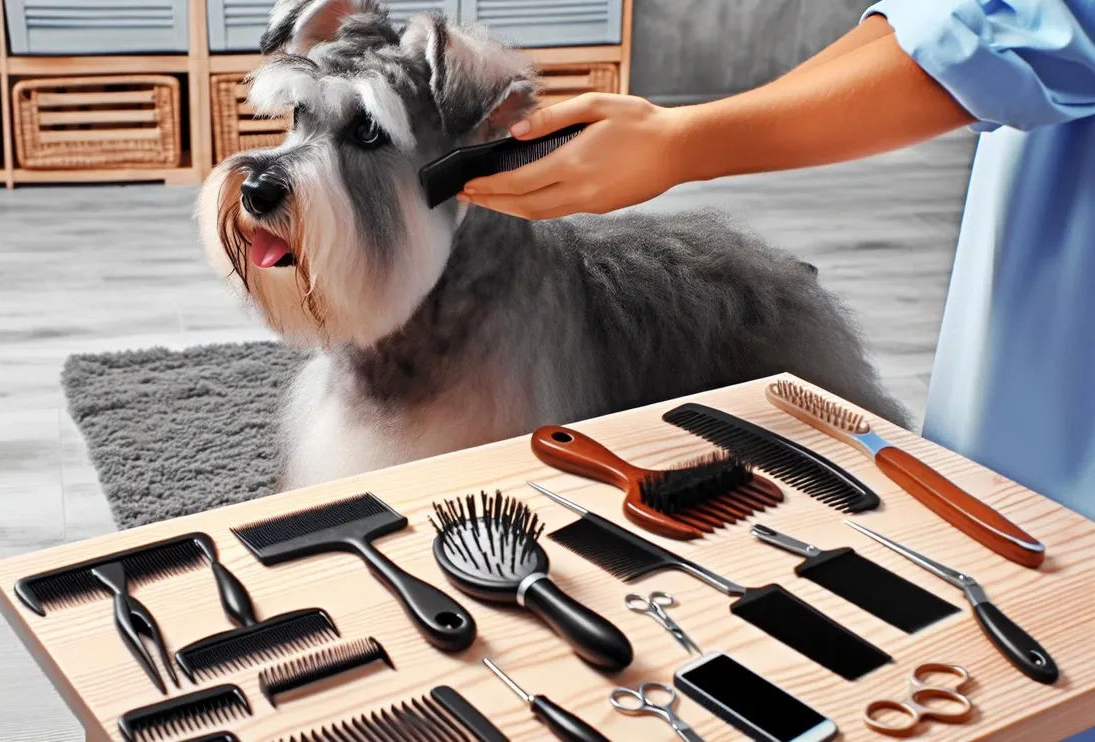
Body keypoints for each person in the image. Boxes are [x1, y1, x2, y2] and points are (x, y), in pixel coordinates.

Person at [462, 1, 1095, 528]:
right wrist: (678, 133)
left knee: (1053, 522)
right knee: (993, 500)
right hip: (1039, 238)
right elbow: (946, 24)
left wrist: (684, 143)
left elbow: (1024, 41)